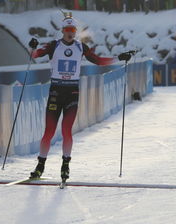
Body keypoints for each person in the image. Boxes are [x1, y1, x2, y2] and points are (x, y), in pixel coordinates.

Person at [28, 16, 133, 181]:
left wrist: (119, 58)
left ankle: (65, 165)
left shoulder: (80, 47)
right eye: (67, 30)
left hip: (72, 93)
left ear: (75, 32)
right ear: (62, 31)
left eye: (73, 31)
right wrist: (32, 47)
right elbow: (35, 54)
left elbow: (98, 61)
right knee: (48, 132)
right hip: (56, 92)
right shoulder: (54, 45)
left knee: (66, 131)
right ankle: (40, 166)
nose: (70, 33)